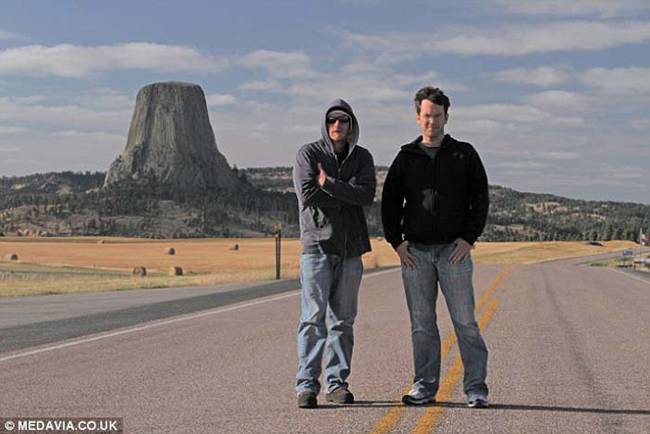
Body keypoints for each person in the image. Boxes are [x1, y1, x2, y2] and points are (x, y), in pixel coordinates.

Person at [381, 86, 490, 408]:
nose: (432, 121)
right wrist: (397, 243)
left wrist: (469, 239)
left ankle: (476, 389)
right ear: (418, 117)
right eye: (426, 116)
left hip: (453, 253)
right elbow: (389, 203)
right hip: (416, 255)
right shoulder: (405, 157)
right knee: (422, 325)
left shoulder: (464, 153)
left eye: (437, 116)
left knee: (465, 322)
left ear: (446, 116)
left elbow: (480, 198)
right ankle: (424, 388)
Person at [292, 99, 376, 409]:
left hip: (351, 250)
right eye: (331, 120)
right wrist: (346, 191)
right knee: (313, 320)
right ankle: (306, 386)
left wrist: (329, 183)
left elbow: (366, 195)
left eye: (343, 120)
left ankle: (337, 383)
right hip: (316, 248)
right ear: (325, 124)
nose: (337, 125)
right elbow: (308, 194)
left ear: (352, 124)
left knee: (343, 321)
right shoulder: (308, 154)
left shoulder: (363, 157)